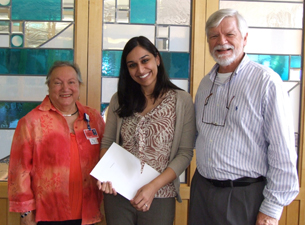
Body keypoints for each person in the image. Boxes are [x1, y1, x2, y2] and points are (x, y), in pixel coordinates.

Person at [189, 8, 299, 225]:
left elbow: (282, 151)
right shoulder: (204, 84)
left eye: (230, 34)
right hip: (202, 192)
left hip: (244, 196)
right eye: (214, 36)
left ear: (245, 38)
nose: (222, 41)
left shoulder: (266, 82)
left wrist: (271, 211)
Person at [97, 36, 196, 225]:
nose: (141, 70)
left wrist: (153, 187)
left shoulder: (181, 101)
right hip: (118, 193)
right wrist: (105, 175)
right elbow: (107, 143)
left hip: (160, 195)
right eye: (132, 65)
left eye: (145, 60)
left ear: (157, 59)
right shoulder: (119, 99)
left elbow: (184, 154)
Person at [8, 61, 105, 225]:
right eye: (58, 83)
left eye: (71, 82)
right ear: (49, 86)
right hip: (48, 215)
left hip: (88, 213)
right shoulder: (31, 122)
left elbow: (106, 156)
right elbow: (19, 171)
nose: (65, 88)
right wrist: (25, 213)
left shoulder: (93, 118)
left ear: (78, 86)